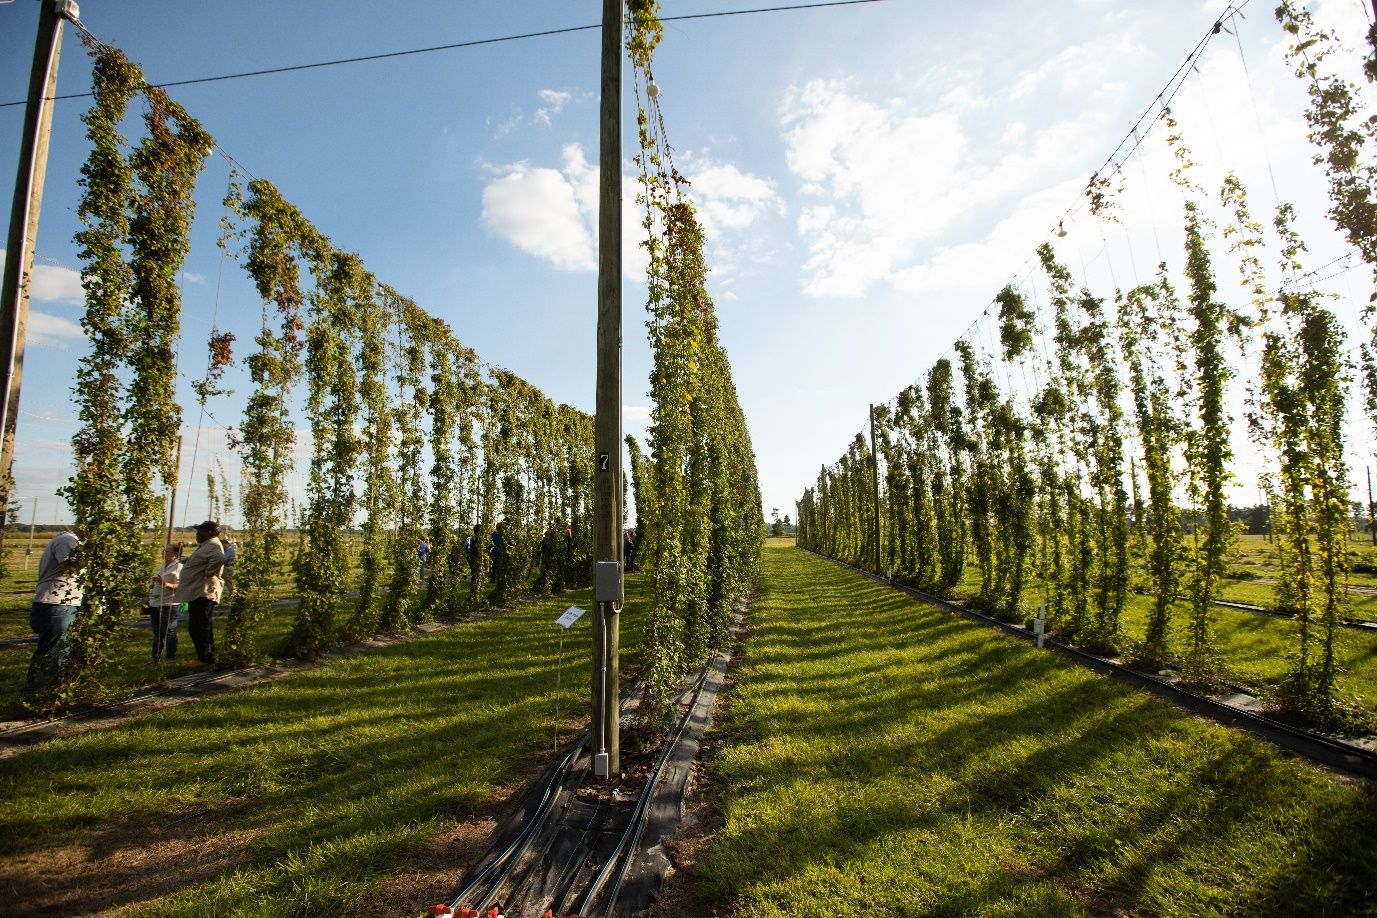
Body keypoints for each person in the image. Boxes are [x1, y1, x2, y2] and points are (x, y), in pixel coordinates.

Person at [25, 529, 83, 691]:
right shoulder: (68, 540)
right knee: (54, 652)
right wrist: (95, 556)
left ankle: (48, 691)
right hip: (57, 603)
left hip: (60, 604)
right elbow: (69, 566)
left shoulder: (69, 541)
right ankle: (40, 692)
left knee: (57, 651)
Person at [179, 520, 226, 664]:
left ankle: (207, 656)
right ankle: (205, 655)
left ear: (210, 533)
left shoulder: (212, 544)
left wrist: (210, 572)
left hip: (204, 591)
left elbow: (219, 558)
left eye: (200, 531)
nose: (197, 534)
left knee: (201, 625)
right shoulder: (207, 545)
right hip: (198, 591)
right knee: (198, 625)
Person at [147, 543, 183, 663]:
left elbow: (181, 586)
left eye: (167, 551)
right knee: (157, 632)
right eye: (164, 550)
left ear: (175, 554)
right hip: (156, 602)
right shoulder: (163, 566)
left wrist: (165, 584)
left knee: (169, 630)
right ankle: (155, 657)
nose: (164, 553)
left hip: (169, 604)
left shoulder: (178, 567)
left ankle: (170, 657)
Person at [489, 521, 507, 604]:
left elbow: (490, 544)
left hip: (494, 551)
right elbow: (503, 544)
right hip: (499, 551)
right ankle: (498, 579)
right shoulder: (501, 535)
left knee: (494, 565)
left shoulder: (493, 534)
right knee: (499, 566)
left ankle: (493, 579)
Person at [464, 523, 481, 599]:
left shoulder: (472, 538)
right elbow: (478, 550)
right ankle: (474, 593)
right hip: (475, 559)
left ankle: (474, 593)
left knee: (475, 576)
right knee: (475, 576)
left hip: (472, 558)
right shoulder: (477, 538)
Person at [220, 539, 238, 604]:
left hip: (228, 567)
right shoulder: (224, 550)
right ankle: (232, 593)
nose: (221, 546)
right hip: (224, 567)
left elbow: (224, 559)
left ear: (225, 544)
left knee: (229, 581)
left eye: (222, 544)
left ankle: (234, 594)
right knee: (226, 581)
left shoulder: (230, 550)